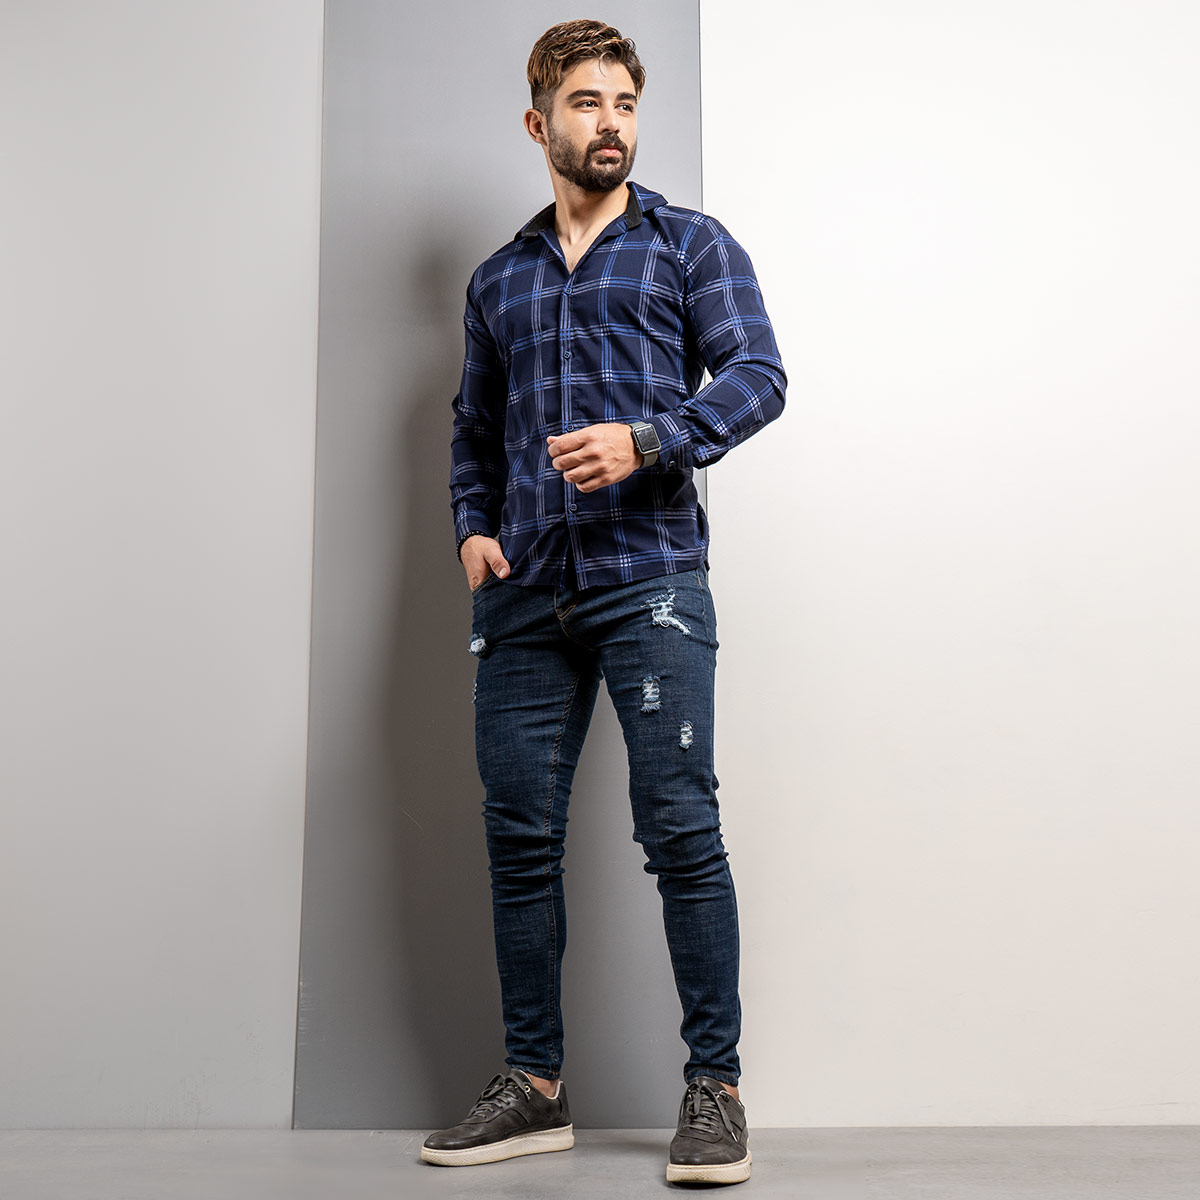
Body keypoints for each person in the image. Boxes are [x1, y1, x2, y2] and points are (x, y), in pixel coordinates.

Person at [422, 18, 786, 1186]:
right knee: (519, 839)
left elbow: (759, 376)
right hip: (524, 592)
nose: (611, 123)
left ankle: (716, 1090)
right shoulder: (500, 279)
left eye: (625, 103)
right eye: (587, 103)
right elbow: (474, 428)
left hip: (651, 581)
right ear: (540, 123)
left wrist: (650, 441)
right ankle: (534, 1088)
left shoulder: (689, 245)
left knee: (679, 827)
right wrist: (472, 528)